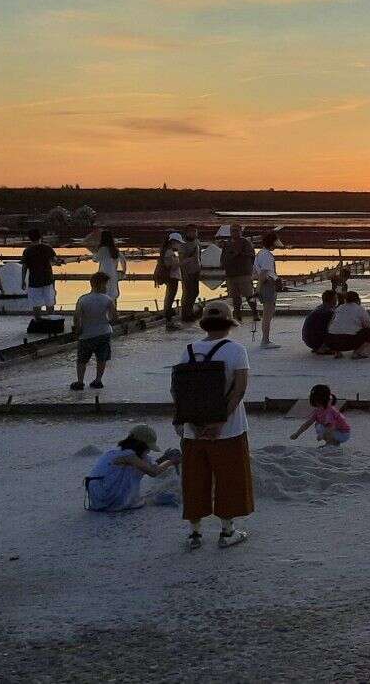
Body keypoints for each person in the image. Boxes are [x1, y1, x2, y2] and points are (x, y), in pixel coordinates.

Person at [176, 300, 253, 548]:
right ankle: (227, 532)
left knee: (194, 479)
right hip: (228, 429)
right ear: (230, 323)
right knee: (229, 478)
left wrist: (189, 422)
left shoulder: (188, 350)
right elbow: (239, 390)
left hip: (192, 429)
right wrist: (219, 421)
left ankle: (194, 534)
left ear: (204, 324)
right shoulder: (236, 350)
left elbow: (177, 389)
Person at [85, 425, 180, 512]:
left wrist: (163, 459)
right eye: (148, 448)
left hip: (98, 495)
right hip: (107, 496)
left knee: (138, 466)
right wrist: (171, 461)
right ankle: (126, 501)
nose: (149, 451)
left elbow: (147, 465)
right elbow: (153, 472)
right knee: (136, 468)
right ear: (141, 445)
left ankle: (126, 500)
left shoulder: (118, 450)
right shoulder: (129, 455)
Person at [71, 272, 115, 391]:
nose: (106, 287)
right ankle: (98, 380)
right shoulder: (108, 300)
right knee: (101, 358)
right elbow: (113, 317)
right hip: (104, 332)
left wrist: (78, 329)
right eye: (105, 285)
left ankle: (80, 381)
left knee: (82, 359)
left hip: (86, 334)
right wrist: (107, 321)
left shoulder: (83, 299)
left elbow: (77, 317)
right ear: (100, 285)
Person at [20, 229, 59, 319]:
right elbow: (55, 260)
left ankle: (38, 321)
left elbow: (24, 267)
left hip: (34, 281)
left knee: (36, 303)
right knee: (49, 302)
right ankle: (51, 321)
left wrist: (23, 281)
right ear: (40, 237)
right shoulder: (47, 248)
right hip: (47, 279)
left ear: (30, 238)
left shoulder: (27, 251)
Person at [220, 226, 256, 322]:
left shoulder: (246, 243)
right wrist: (223, 265)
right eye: (232, 231)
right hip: (231, 274)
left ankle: (255, 313)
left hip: (244, 273)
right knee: (235, 297)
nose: (234, 233)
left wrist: (240, 254)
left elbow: (252, 255)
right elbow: (223, 257)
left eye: (236, 231)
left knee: (249, 295)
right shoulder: (227, 244)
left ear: (241, 231)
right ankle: (237, 314)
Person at [326, 290, 370, 358]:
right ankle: (356, 353)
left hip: (331, 341)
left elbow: (330, 324)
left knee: (334, 330)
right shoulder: (360, 309)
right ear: (358, 299)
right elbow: (368, 326)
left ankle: (337, 352)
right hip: (350, 342)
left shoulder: (339, 308)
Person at [254, 231, 280, 349]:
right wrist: (258, 289)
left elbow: (257, 272)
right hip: (268, 285)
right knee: (267, 314)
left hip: (267, 284)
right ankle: (265, 341)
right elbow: (264, 273)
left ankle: (266, 340)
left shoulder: (260, 253)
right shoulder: (267, 255)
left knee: (267, 313)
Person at [155, 233, 184, 330]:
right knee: (170, 298)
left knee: (169, 298)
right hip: (172, 278)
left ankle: (169, 320)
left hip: (171, 278)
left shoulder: (167, 251)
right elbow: (170, 265)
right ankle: (169, 321)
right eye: (178, 243)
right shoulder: (169, 252)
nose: (179, 245)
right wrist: (182, 262)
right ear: (173, 242)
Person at [86, 229, 124, 302]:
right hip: (113, 273)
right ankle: (112, 311)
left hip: (103, 273)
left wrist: (94, 253)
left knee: (103, 293)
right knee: (112, 294)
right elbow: (123, 260)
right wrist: (123, 271)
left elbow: (95, 259)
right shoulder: (115, 250)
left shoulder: (102, 249)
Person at [179, 229, 203, 323]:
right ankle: (186, 314)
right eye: (192, 231)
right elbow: (181, 260)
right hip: (187, 272)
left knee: (195, 292)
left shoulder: (197, 242)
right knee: (187, 293)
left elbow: (198, 256)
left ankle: (190, 311)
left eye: (195, 232)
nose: (194, 234)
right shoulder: (183, 244)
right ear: (187, 233)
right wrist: (184, 273)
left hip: (196, 270)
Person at [303, 290, 338, 354]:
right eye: (336, 298)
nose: (337, 300)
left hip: (308, 341)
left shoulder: (319, 308)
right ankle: (323, 348)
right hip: (316, 341)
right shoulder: (328, 312)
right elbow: (327, 329)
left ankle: (319, 347)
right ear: (332, 299)